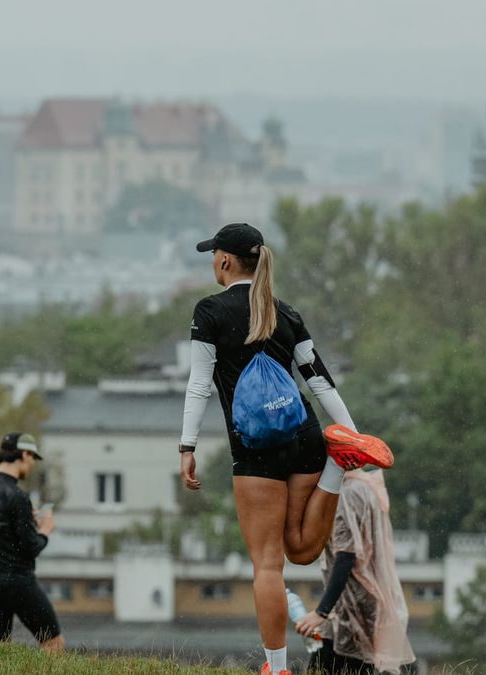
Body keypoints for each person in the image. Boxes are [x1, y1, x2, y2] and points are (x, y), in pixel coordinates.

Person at [178, 223, 393, 675]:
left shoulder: (209, 312)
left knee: (268, 566)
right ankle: (339, 461)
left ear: (224, 261)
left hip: (255, 451)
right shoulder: (286, 313)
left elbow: (199, 385)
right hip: (306, 438)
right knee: (302, 551)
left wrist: (187, 445)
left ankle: (276, 669)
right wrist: (350, 434)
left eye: (212, 255)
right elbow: (318, 379)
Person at [295, 469, 415, 674]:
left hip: (349, 608)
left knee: (328, 666)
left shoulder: (346, 493)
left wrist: (321, 612)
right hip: (361, 604)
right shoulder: (365, 486)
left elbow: (346, 556)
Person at [0, 432, 64, 652]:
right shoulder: (17, 497)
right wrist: (45, 530)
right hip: (17, 583)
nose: (31, 464)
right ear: (24, 453)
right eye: (32, 458)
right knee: (53, 643)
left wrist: (23, 520)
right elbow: (31, 547)